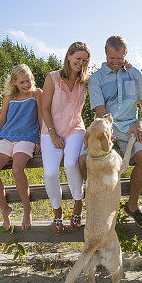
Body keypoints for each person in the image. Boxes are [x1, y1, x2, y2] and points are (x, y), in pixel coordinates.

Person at [80, 35, 142, 229]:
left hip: (131, 126)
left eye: (119, 59)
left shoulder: (135, 74)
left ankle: (132, 205)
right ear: (105, 54)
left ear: (125, 55)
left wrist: (141, 123)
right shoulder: (96, 79)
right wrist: (107, 132)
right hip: (106, 126)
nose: (115, 63)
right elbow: (100, 111)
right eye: (111, 58)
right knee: (82, 161)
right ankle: (99, 203)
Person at [41, 41, 91, 234]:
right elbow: (44, 108)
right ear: (68, 56)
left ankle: (78, 205)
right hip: (51, 130)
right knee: (50, 173)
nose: (80, 63)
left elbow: (107, 77)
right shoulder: (52, 77)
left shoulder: (86, 80)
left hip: (75, 129)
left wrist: (124, 64)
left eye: (85, 60)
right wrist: (52, 133)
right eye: (78, 58)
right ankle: (57, 212)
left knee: (71, 163)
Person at [0, 64, 42, 232]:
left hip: (27, 137)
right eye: (23, 82)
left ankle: (27, 209)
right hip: (8, 137)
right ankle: (5, 209)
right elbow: (2, 118)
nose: (27, 84)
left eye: (29, 80)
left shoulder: (36, 94)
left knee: (17, 169)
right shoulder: (9, 97)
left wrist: (40, 138)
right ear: (14, 83)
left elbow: (42, 116)